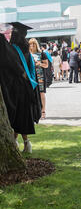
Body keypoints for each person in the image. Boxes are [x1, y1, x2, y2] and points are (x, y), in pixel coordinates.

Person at [0, 22, 41, 153]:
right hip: (27, 88)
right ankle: (25, 143)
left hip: (16, 88)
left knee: (17, 115)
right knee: (23, 116)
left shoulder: (12, 49)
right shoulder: (25, 49)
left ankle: (18, 143)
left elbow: (11, 66)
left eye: (13, 33)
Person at [29, 38, 48, 120]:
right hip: (31, 77)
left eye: (34, 44)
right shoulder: (28, 54)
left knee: (41, 94)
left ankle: (43, 111)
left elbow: (46, 65)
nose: (32, 46)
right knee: (32, 94)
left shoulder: (42, 54)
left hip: (40, 77)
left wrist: (39, 63)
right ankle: (35, 112)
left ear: (36, 45)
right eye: (30, 44)